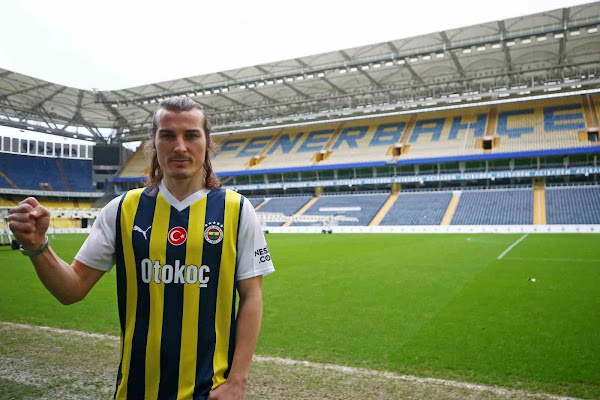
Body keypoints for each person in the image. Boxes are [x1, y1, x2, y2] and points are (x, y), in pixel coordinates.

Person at [8, 96, 275, 400]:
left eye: (191, 135)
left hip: (209, 391)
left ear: (207, 142)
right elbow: (72, 289)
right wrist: (38, 246)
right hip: (135, 391)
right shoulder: (121, 210)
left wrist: (237, 381)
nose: (180, 147)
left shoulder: (237, 210)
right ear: (153, 143)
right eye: (168, 135)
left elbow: (252, 296)